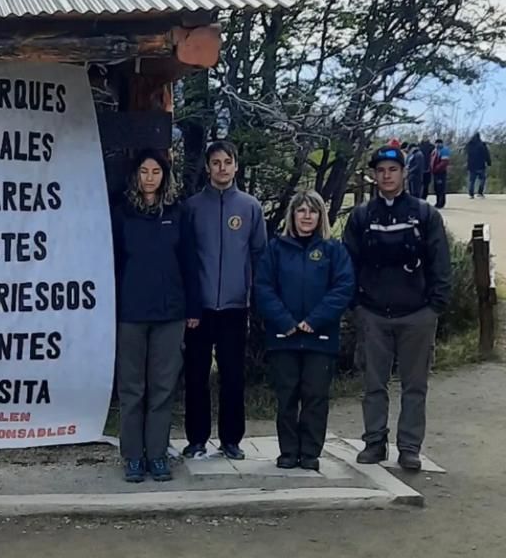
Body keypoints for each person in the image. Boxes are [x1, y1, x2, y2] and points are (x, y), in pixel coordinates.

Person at [343, 146, 451, 470]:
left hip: (417, 314)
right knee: (373, 385)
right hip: (373, 314)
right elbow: (347, 263)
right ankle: (375, 442)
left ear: (404, 173)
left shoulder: (425, 214)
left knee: (414, 386)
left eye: (393, 169)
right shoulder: (361, 216)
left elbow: (440, 263)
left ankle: (409, 448)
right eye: (381, 170)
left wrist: (435, 306)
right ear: (374, 175)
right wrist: (356, 305)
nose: (386, 175)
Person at [111, 150, 201, 482]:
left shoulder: (178, 214)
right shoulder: (122, 214)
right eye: (144, 171)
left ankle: (158, 454)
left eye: (156, 172)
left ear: (165, 176)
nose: (150, 178)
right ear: (135, 175)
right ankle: (133, 456)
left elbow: (190, 263)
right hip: (130, 314)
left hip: (170, 314)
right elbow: (114, 265)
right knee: (132, 388)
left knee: (163, 388)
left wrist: (193, 307)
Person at [255, 190, 355, 471]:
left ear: (320, 215)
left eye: (312, 211)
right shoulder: (275, 249)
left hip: (319, 338)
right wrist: (286, 321)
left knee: (315, 396)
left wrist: (315, 320)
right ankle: (288, 452)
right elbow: (263, 288)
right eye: (301, 210)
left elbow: (343, 287)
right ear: (293, 215)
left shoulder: (332, 249)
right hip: (283, 337)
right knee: (287, 396)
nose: (307, 216)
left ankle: (310, 453)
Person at [184, 140, 267, 460]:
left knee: (233, 375)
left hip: (235, 305)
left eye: (227, 162)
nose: (222, 168)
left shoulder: (250, 207)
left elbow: (260, 254)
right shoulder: (192, 207)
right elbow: (186, 258)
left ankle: (231, 438)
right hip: (200, 308)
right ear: (208, 167)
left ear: (236, 166)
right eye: (215, 162)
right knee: (196, 374)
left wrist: (256, 298)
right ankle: (196, 438)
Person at [466, 132, 493, 199]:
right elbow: (486, 154)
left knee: (472, 180)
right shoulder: (482, 145)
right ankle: (480, 192)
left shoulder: (469, 145)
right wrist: (489, 162)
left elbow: (467, 154)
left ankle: (471, 194)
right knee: (482, 179)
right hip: (481, 165)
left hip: (471, 166)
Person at [430, 139, 450, 208]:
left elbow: (444, 162)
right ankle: (438, 202)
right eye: (436, 143)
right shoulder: (434, 151)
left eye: (439, 143)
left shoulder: (444, 150)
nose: (437, 145)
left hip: (441, 172)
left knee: (441, 188)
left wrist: (436, 168)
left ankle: (441, 203)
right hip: (435, 172)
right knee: (436, 188)